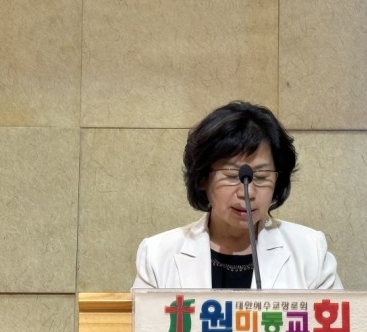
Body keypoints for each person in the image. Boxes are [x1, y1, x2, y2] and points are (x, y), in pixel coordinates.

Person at [133, 100, 343, 289]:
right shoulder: (157, 255)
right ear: (202, 178)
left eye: (261, 177)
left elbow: (337, 320)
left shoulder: (310, 252)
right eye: (233, 176)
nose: (248, 192)